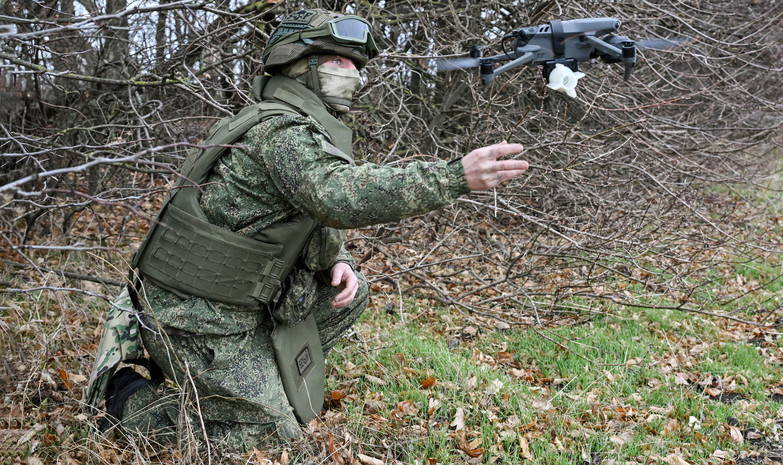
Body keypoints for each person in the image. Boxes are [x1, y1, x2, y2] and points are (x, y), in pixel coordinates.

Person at [85, 8, 528, 450]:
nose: (353, 74)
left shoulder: (295, 127)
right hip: (193, 313)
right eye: (339, 62)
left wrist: (339, 258)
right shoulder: (281, 130)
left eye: (356, 66)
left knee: (346, 297)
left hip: (230, 301)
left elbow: (299, 215)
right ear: (300, 66)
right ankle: (125, 400)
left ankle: (253, 383)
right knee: (268, 440)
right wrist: (453, 176)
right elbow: (336, 195)